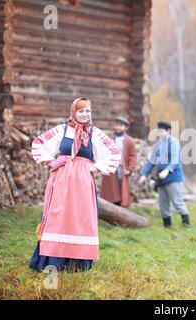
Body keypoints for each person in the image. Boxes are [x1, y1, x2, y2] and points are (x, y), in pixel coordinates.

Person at [29, 97, 121, 272]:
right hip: (62, 179)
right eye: (81, 111)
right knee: (58, 215)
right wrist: (51, 161)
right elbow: (39, 143)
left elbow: (113, 151)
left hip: (82, 181)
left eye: (87, 111)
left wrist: (95, 166)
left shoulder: (94, 133)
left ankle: (77, 263)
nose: (85, 114)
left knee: (81, 217)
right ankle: (53, 260)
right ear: (73, 112)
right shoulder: (62, 130)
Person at [139, 121, 191, 228]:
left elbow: (175, 159)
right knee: (163, 203)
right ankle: (167, 226)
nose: (159, 133)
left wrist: (168, 170)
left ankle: (187, 225)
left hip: (173, 177)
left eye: (162, 131)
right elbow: (152, 161)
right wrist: (144, 174)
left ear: (168, 131)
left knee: (177, 202)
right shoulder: (158, 145)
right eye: (158, 131)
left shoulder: (174, 143)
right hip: (161, 178)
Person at [100, 117, 137, 208]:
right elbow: (104, 152)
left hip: (122, 167)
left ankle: (121, 207)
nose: (118, 127)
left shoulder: (129, 141)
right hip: (111, 167)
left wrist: (130, 168)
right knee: (111, 189)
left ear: (125, 128)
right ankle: (110, 207)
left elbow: (133, 156)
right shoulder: (109, 139)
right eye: (117, 125)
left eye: (121, 126)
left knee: (121, 187)